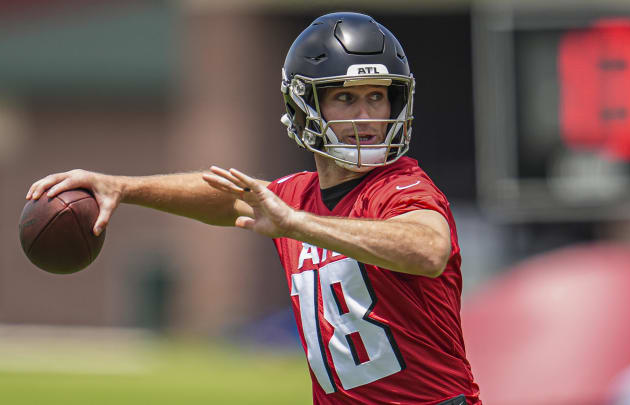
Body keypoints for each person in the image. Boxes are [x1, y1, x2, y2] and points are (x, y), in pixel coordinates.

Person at [25, 12, 480, 404]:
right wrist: (122, 186)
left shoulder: (401, 186)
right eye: (345, 98)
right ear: (305, 106)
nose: (366, 116)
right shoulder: (296, 195)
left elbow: (428, 247)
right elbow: (229, 197)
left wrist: (299, 225)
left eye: (377, 97)